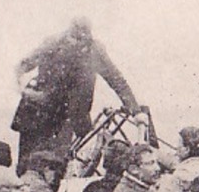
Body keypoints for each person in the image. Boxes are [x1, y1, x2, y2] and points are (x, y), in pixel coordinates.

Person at [11, 18, 142, 165]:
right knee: (27, 163)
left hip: (69, 117)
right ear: (68, 34)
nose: (77, 43)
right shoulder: (52, 43)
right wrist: (21, 88)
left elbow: (117, 80)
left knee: (58, 165)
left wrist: (135, 110)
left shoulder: (95, 51)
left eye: (82, 40)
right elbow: (23, 65)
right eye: (73, 38)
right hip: (37, 113)